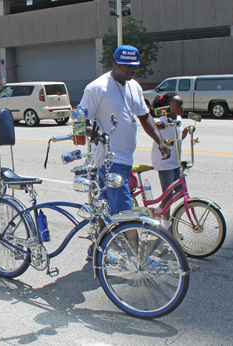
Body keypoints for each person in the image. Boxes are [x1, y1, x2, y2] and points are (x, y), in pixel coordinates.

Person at [80, 45, 170, 258]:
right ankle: (138, 258)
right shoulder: (97, 88)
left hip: (125, 157)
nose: (132, 69)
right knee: (124, 210)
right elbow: (81, 121)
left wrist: (160, 141)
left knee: (104, 205)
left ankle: (97, 247)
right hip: (109, 159)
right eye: (127, 65)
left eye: (134, 66)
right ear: (115, 63)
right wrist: (97, 136)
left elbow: (145, 117)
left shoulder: (134, 86)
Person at [151, 92, 191, 230]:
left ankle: (158, 210)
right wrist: (158, 126)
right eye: (178, 104)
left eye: (182, 103)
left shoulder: (178, 119)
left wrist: (185, 133)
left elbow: (177, 138)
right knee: (167, 193)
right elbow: (153, 127)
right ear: (168, 107)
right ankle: (166, 226)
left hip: (175, 162)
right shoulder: (160, 121)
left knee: (180, 191)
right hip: (164, 162)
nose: (182, 107)